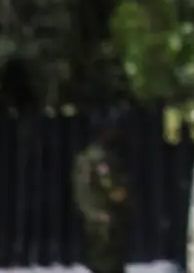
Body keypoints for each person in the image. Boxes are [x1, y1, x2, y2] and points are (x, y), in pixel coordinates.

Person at [72, 111, 131, 273]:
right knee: (109, 265)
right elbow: (113, 190)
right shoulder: (101, 158)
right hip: (105, 222)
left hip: (90, 218)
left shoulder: (84, 157)